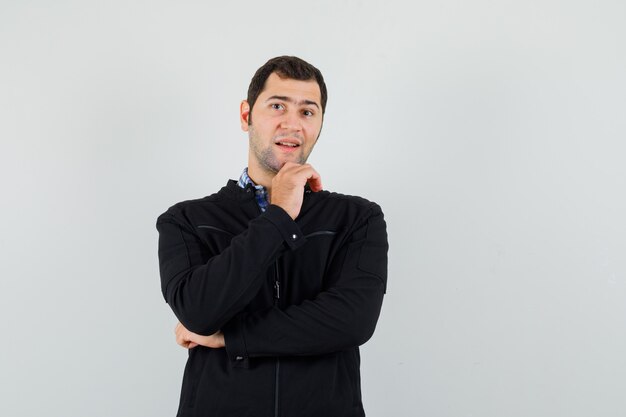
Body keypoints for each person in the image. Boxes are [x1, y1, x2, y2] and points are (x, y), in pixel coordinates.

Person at [156, 56, 388, 417]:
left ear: (320, 124)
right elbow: (199, 312)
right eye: (277, 105)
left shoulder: (358, 218)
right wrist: (278, 215)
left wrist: (231, 337)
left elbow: (352, 320)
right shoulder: (186, 220)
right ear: (246, 115)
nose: (292, 123)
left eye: (308, 112)